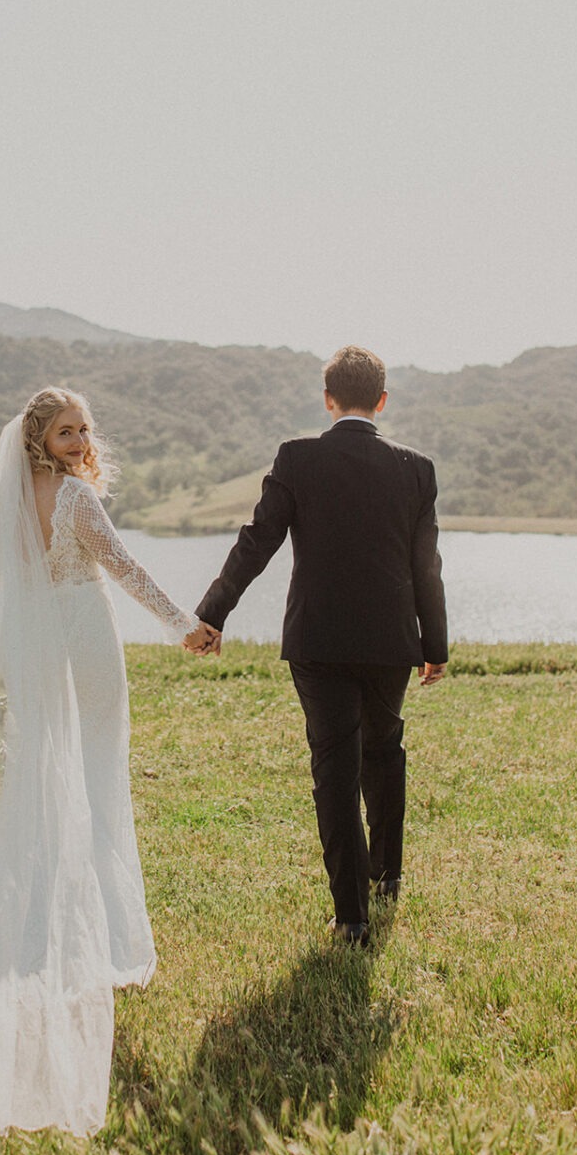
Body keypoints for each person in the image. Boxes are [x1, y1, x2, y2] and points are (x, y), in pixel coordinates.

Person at [0, 388, 216, 1146]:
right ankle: (99, 935)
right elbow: (122, 565)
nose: (81, 437)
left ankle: (34, 927)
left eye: (85, 426)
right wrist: (184, 625)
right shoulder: (79, 497)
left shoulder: (13, 499)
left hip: (35, 651)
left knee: (43, 782)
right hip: (85, 643)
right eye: (66, 429)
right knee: (93, 781)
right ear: (39, 436)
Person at [195, 345, 447, 947]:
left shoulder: (297, 458)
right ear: (382, 401)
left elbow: (257, 542)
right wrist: (434, 644)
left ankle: (353, 917)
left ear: (327, 399)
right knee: (385, 752)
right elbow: (426, 565)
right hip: (392, 642)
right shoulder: (417, 468)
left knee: (334, 766)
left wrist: (213, 614)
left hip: (318, 640)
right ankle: (387, 878)